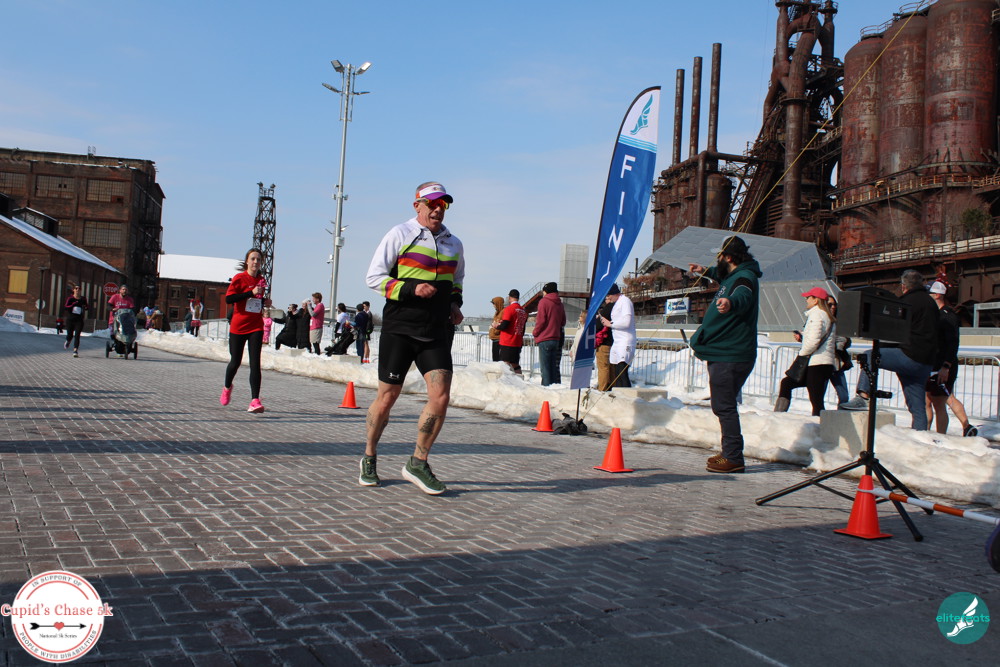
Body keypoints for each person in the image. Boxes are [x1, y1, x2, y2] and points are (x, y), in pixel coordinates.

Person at [361, 181, 464, 495]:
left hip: (435, 332)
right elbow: (374, 277)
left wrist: (455, 305)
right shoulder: (400, 234)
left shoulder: (454, 243)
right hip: (401, 329)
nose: (437, 210)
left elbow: (457, 280)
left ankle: (418, 462)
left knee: (441, 396)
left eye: (443, 205)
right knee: (387, 398)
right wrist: (410, 288)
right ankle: (369, 455)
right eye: (432, 204)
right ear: (417, 205)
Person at [688, 235, 762, 474]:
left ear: (728, 257)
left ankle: (733, 456)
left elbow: (742, 293)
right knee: (724, 405)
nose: (717, 259)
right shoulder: (734, 274)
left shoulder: (744, 278)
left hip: (730, 355)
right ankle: (729, 453)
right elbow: (724, 277)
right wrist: (705, 271)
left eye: (719, 255)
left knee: (724, 406)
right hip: (727, 352)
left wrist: (730, 303)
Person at [841, 269, 939, 430]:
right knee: (917, 407)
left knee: (870, 356)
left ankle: (863, 396)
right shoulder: (931, 303)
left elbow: (895, 329)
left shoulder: (907, 301)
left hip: (909, 354)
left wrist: (880, 346)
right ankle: (920, 436)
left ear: (904, 286)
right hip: (926, 360)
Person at [925, 281, 977, 437]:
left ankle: (942, 436)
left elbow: (953, 343)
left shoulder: (948, 316)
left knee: (940, 402)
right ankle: (924, 434)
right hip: (932, 364)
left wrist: (946, 366)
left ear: (937, 295)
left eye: (929, 293)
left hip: (942, 366)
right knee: (928, 400)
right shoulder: (935, 314)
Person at [774, 287, 836, 416]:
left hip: (818, 363)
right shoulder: (826, 316)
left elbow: (813, 342)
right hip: (822, 362)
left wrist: (802, 354)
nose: (806, 300)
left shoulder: (817, 315)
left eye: (808, 297)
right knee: (787, 383)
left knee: (816, 400)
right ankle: (779, 415)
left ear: (816, 300)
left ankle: (819, 426)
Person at [220, 248, 267, 414]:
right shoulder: (239, 278)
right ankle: (227, 387)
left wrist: (265, 301)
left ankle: (255, 400)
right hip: (238, 326)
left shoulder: (262, 280)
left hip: (256, 326)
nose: (255, 262)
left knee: (255, 363)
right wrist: (249, 292)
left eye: (258, 260)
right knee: (235, 361)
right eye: (253, 259)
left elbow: (255, 302)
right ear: (247, 261)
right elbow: (229, 299)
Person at [599, 283, 636, 388]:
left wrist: (611, 324)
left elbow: (627, 322)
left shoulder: (625, 302)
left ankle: (627, 394)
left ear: (614, 293)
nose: (608, 298)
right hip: (617, 341)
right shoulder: (616, 303)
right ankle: (619, 394)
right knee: (616, 373)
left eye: (609, 295)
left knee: (622, 372)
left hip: (625, 341)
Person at [532, 282, 567, 386]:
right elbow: (563, 322)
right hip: (556, 338)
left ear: (546, 291)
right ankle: (554, 388)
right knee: (553, 367)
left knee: (545, 369)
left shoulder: (544, 302)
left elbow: (541, 321)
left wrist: (535, 332)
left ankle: (546, 389)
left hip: (545, 338)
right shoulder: (560, 303)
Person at [826, 296, 852, 407]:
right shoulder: (820, 319)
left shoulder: (839, 321)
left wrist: (841, 344)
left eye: (835, 304)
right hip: (822, 362)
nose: (833, 307)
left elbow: (845, 340)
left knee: (844, 396)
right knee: (817, 397)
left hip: (836, 364)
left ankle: (841, 414)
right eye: (830, 304)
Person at [497, 289, 527, 375]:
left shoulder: (509, 309)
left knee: (505, 364)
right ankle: (520, 379)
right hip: (517, 341)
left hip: (507, 341)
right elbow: (522, 327)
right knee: (515, 364)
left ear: (510, 298)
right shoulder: (523, 311)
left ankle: (506, 381)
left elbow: (504, 325)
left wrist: (497, 326)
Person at [594, 299, 615, 391]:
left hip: (604, 342)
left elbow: (599, 324)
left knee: (603, 367)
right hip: (613, 342)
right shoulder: (617, 308)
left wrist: (597, 320)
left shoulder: (608, 308)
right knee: (611, 367)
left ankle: (602, 388)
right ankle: (611, 386)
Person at [63, 285, 88, 357]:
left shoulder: (83, 299)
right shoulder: (70, 298)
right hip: (70, 319)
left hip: (79, 320)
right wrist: (72, 305)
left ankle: (75, 350)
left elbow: (87, 307)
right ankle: (68, 340)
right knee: (70, 335)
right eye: (76, 288)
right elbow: (66, 307)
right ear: (73, 290)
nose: (77, 290)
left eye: (79, 289)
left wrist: (85, 307)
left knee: (77, 335)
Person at [488, 296, 505, 362]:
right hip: (495, 338)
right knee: (495, 359)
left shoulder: (503, 312)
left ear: (498, 303)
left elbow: (501, 324)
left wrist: (495, 330)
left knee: (498, 360)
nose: (493, 305)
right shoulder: (497, 313)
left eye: (494, 304)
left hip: (499, 339)